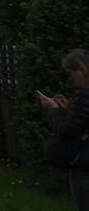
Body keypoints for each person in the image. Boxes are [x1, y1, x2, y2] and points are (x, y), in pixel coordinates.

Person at [41, 49, 89, 210]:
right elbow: (82, 122)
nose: (70, 77)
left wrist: (54, 110)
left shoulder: (85, 96)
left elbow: (66, 131)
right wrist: (68, 109)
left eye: (71, 72)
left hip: (84, 165)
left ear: (82, 70)